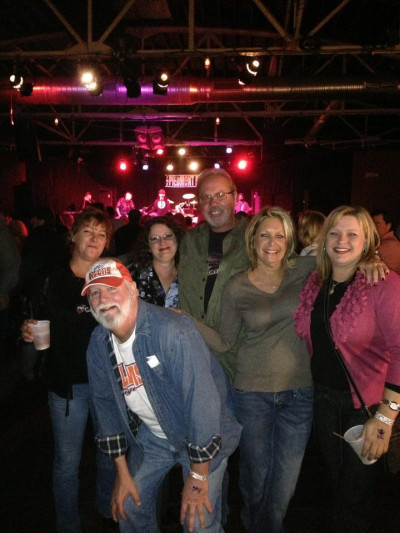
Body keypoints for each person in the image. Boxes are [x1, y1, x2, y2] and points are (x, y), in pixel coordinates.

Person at [82, 258, 242, 533]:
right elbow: (104, 408)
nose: (103, 299)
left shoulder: (173, 331)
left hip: (203, 434)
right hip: (155, 436)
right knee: (128, 506)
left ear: (133, 289)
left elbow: (202, 406)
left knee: (197, 522)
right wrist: (122, 473)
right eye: (95, 293)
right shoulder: (99, 343)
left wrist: (197, 478)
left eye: (112, 288)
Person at [186, 206, 315, 533]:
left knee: (284, 485)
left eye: (280, 236)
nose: (272, 243)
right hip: (252, 395)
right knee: (256, 480)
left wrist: (371, 260)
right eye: (265, 235)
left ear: (289, 241)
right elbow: (225, 341)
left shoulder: (305, 268)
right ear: (253, 241)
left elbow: (344, 261)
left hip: (299, 393)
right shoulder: (237, 286)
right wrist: (186, 320)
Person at [295, 205, 400, 533]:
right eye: (335, 233)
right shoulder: (316, 281)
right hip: (324, 402)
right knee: (338, 488)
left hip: (365, 408)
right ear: (324, 239)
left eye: (353, 234)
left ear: (367, 240)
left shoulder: (384, 283)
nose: (342, 240)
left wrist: (385, 418)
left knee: (354, 497)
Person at [20, 209, 116, 533]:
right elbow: (32, 318)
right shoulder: (51, 278)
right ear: (73, 236)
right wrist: (26, 330)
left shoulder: (113, 279)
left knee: (109, 454)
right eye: (88, 231)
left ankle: (106, 509)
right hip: (66, 385)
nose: (94, 239)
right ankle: (68, 524)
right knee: (67, 462)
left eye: (101, 234)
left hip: (106, 384)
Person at [178, 168, 250, 381]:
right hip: (193, 355)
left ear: (235, 197)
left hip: (238, 360)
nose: (213, 203)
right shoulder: (189, 240)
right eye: (206, 198)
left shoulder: (254, 239)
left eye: (220, 195)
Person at [128, 216, 183, 308]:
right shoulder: (132, 275)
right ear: (148, 246)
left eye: (168, 236)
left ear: (177, 240)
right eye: (155, 238)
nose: (162, 242)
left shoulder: (189, 274)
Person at [371, 208, 400, 274]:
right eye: (372, 225)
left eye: (378, 224)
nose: (373, 228)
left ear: (388, 226)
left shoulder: (390, 245)